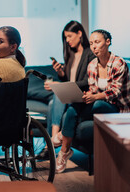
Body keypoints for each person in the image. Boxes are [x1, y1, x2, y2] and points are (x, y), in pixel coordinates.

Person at [55, 29, 130, 173]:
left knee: (98, 104)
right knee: (72, 108)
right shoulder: (92, 65)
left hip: (119, 107)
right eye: (91, 43)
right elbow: (94, 89)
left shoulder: (118, 63)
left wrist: (94, 97)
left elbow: (115, 92)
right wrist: (87, 95)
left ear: (107, 42)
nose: (94, 46)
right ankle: (64, 152)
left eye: (97, 42)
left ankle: (63, 134)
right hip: (98, 103)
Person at [41, 21, 95, 158]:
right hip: (71, 92)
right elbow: (67, 81)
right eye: (66, 37)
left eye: (70, 36)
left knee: (56, 96)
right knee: (53, 102)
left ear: (79, 33)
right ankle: (53, 141)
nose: (68, 40)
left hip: (82, 94)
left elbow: (87, 81)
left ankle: (50, 144)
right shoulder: (70, 54)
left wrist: (61, 86)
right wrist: (60, 73)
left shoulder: (90, 55)